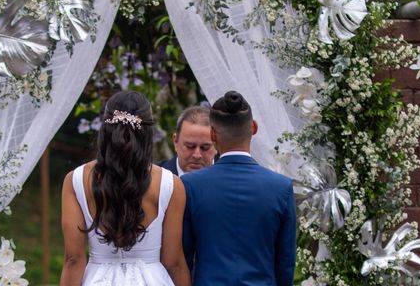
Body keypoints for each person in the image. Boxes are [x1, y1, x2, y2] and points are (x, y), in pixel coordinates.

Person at [60, 91, 191, 286]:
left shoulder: (76, 180)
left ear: (105, 130)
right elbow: (173, 262)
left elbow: (73, 259)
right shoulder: (170, 184)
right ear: (147, 133)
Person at [181, 91, 296, 285]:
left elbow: (184, 255)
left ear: (212, 134)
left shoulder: (190, 185)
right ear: (253, 127)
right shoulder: (281, 188)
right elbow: (285, 262)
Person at [159, 106, 216, 176]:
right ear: (175, 141)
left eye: (205, 147)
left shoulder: (230, 181)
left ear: (217, 145)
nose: (197, 155)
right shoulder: (150, 178)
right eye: (190, 146)